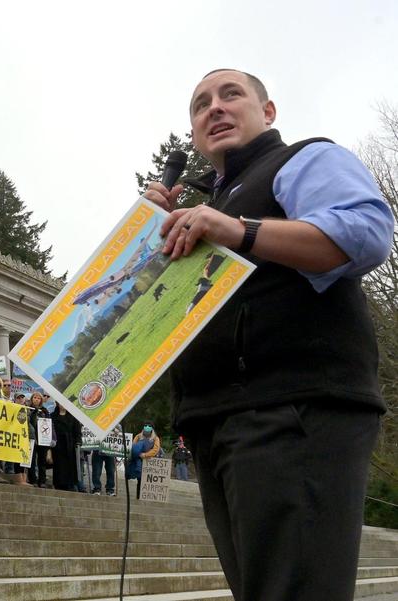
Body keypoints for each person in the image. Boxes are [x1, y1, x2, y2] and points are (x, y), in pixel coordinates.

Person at [144, 69, 392, 601]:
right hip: (216, 422)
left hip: (292, 410)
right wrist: (148, 242)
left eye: (231, 95)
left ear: (269, 111)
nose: (215, 108)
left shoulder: (304, 159)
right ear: (193, 133)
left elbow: (365, 233)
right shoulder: (203, 206)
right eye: (200, 104)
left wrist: (239, 229)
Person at [50, 397, 82, 492]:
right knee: (58, 466)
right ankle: (58, 484)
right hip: (57, 445)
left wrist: (78, 442)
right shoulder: (53, 416)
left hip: (69, 445)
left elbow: (77, 432)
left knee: (70, 466)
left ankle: (70, 484)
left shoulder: (73, 417)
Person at [127, 425, 160, 500]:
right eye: (146, 426)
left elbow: (156, 449)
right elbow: (133, 446)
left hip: (149, 462)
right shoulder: (138, 436)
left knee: (148, 481)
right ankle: (139, 497)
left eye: (149, 426)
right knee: (140, 479)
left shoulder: (155, 438)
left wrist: (145, 455)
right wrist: (138, 453)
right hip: (138, 460)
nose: (147, 427)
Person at [29, 392, 52, 487]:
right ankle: (32, 480)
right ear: (32, 399)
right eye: (35, 397)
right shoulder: (28, 409)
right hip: (31, 438)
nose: (36, 399)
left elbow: (49, 424)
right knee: (32, 460)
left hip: (43, 438)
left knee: (42, 461)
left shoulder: (45, 411)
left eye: (38, 398)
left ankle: (42, 481)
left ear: (41, 400)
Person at [91, 424, 120, 496]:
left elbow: (120, 431)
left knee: (111, 470)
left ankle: (110, 489)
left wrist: (117, 431)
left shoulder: (115, 421)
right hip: (98, 448)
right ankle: (97, 488)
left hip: (110, 449)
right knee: (96, 470)